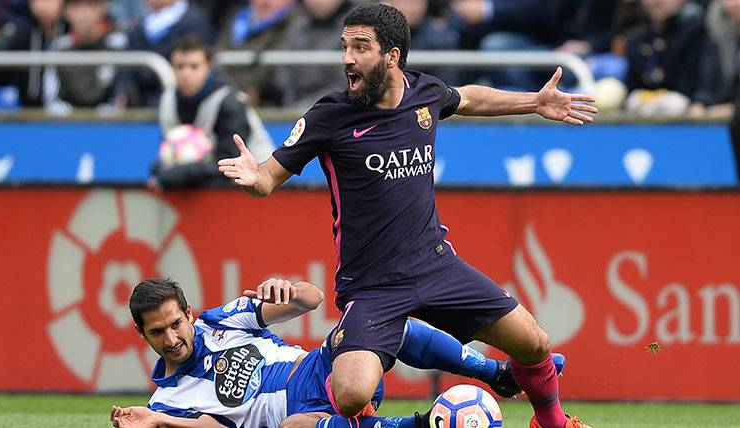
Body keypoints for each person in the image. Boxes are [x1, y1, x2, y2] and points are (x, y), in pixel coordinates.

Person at [218, 4, 596, 428]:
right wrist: (255, 178)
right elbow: (269, 178)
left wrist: (535, 101)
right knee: (350, 396)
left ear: (392, 56)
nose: (347, 58)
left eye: (360, 47)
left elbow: (470, 97)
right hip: (371, 286)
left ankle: (554, 423)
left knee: (536, 344)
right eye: (345, 47)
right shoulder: (329, 116)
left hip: (436, 266)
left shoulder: (425, 94)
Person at [110, 277, 566, 427]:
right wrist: (161, 421)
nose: (171, 338)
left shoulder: (220, 320)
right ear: (142, 335)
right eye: (157, 333)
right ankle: (420, 425)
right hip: (303, 418)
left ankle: (497, 374)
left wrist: (286, 289)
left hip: (323, 369)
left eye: (175, 323)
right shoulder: (164, 402)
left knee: (375, 320)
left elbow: (312, 299)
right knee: (292, 427)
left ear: (189, 313)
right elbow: (212, 426)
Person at [150, 34, 273, 190]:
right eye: (179, 66)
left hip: (255, 185)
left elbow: (231, 162)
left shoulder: (230, 102)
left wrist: (182, 173)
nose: (186, 74)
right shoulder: (168, 100)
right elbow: (169, 150)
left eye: (194, 66)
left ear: (209, 67)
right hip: (204, 179)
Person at [43, 0, 128, 116]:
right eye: (76, 7)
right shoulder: (59, 48)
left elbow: (123, 95)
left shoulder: (120, 43)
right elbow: (52, 100)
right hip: (68, 126)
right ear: (65, 12)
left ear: (103, 7)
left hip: (110, 127)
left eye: (90, 5)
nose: (84, 14)